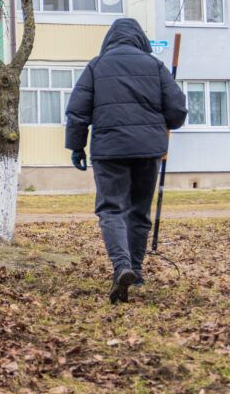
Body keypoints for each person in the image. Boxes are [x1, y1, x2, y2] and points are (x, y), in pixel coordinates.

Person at [64, 18, 187, 304]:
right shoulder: (155, 66)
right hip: (148, 150)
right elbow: (178, 111)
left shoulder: (97, 66)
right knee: (139, 211)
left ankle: (122, 266)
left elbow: (77, 112)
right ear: (140, 39)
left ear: (110, 39)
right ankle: (137, 269)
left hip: (109, 151)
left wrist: (76, 147)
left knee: (112, 208)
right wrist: (160, 123)